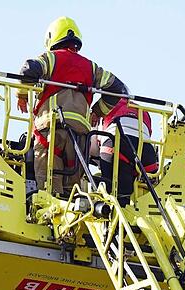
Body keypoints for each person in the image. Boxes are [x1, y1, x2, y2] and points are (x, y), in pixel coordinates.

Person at [17, 17, 127, 195]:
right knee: (73, 194)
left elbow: (28, 70)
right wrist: (97, 112)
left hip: (50, 132)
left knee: (48, 188)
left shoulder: (50, 59)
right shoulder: (91, 68)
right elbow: (118, 89)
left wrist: (21, 95)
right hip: (80, 137)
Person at [91, 97, 159, 206]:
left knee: (109, 189)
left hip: (115, 144)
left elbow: (93, 149)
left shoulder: (104, 106)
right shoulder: (142, 110)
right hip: (146, 152)